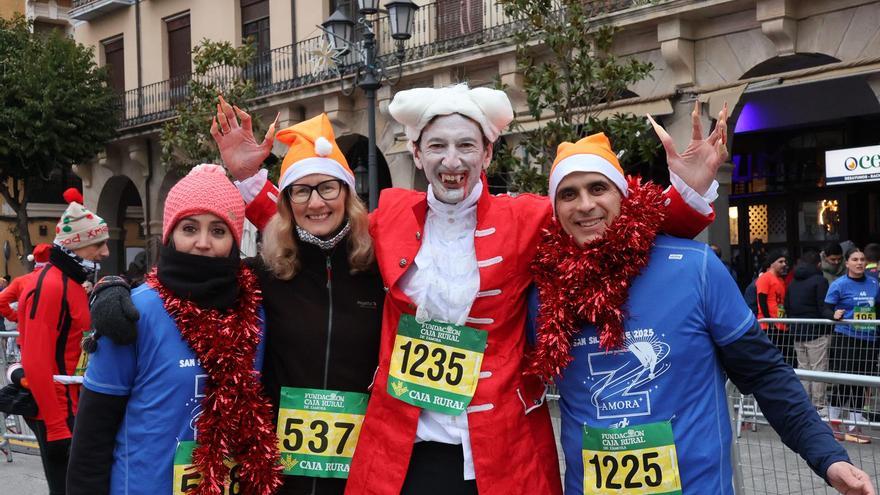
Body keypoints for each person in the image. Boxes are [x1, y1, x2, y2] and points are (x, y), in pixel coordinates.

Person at [212, 85, 725, 494]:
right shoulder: (389, 214)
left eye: (465, 145)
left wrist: (689, 193)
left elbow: (609, 228)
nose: (451, 160)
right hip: (405, 442)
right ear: (416, 151)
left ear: (487, 151)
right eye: (436, 145)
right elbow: (313, 219)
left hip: (502, 445)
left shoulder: (528, 217)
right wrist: (249, 180)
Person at [527, 133, 874, 495]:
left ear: (622, 195)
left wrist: (828, 457)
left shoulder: (696, 268)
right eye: (568, 194)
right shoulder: (542, 293)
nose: (584, 205)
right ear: (554, 210)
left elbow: (765, 374)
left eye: (598, 187)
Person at [92, 113, 385, 495]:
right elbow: (193, 277)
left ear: (347, 193)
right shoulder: (263, 274)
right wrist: (112, 289)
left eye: (328, 188)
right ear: (287, 202)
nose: (316, 202)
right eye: (301, 190)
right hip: (276, 475)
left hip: (357, 472)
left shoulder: (381, 269)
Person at [67, 165, 282, 495]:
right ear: (170, 234)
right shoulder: (132, 312)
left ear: (235, 241)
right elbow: (92, 438)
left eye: (219, 231)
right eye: (189, 228)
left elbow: (301, 248)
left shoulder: (256, 312)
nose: (203, 243)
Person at [16, 197, 109, 495]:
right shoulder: (51, 285)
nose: (105, 252)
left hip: (72, 407)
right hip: (57, 412)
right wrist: (56, 426)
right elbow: (35, 359)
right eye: (99, 245)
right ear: (76, 245)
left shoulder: (68, 282)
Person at [825, 247, 880, 443]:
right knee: (843, 382)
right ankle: (833, 423)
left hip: (869, 339)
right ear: (847, 263)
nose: (859, 263)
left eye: (862, 259)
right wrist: (833, 314)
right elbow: (826, 307)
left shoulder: (875, 283)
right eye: (855, 259)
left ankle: (854, 426)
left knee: (861, 382)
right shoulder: (839, 284)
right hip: (846, 338)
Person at [785, 250, 833, 412]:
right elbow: (823, 307)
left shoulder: (792, 282)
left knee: (803, 367)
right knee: (818, 368)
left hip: (797, 330)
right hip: (816, 331)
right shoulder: (820, 281)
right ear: (818, 264)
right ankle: (819, 405)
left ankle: (804, 403)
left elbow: (787, 306)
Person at [756, 249, 793, 367]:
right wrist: (769, 321)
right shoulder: (765, 278)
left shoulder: (781, 280)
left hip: (781, 323)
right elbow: (761, 300)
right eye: (780, 261)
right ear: (772, 263)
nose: (784, 264)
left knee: (784, 355)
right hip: (769, 325)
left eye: (785, 262)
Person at [0, 244, 52, 324]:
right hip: (53, 331)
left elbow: (1, 300)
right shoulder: (62, 281)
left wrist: (16, 317)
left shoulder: (20, 281)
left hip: (27, 330)